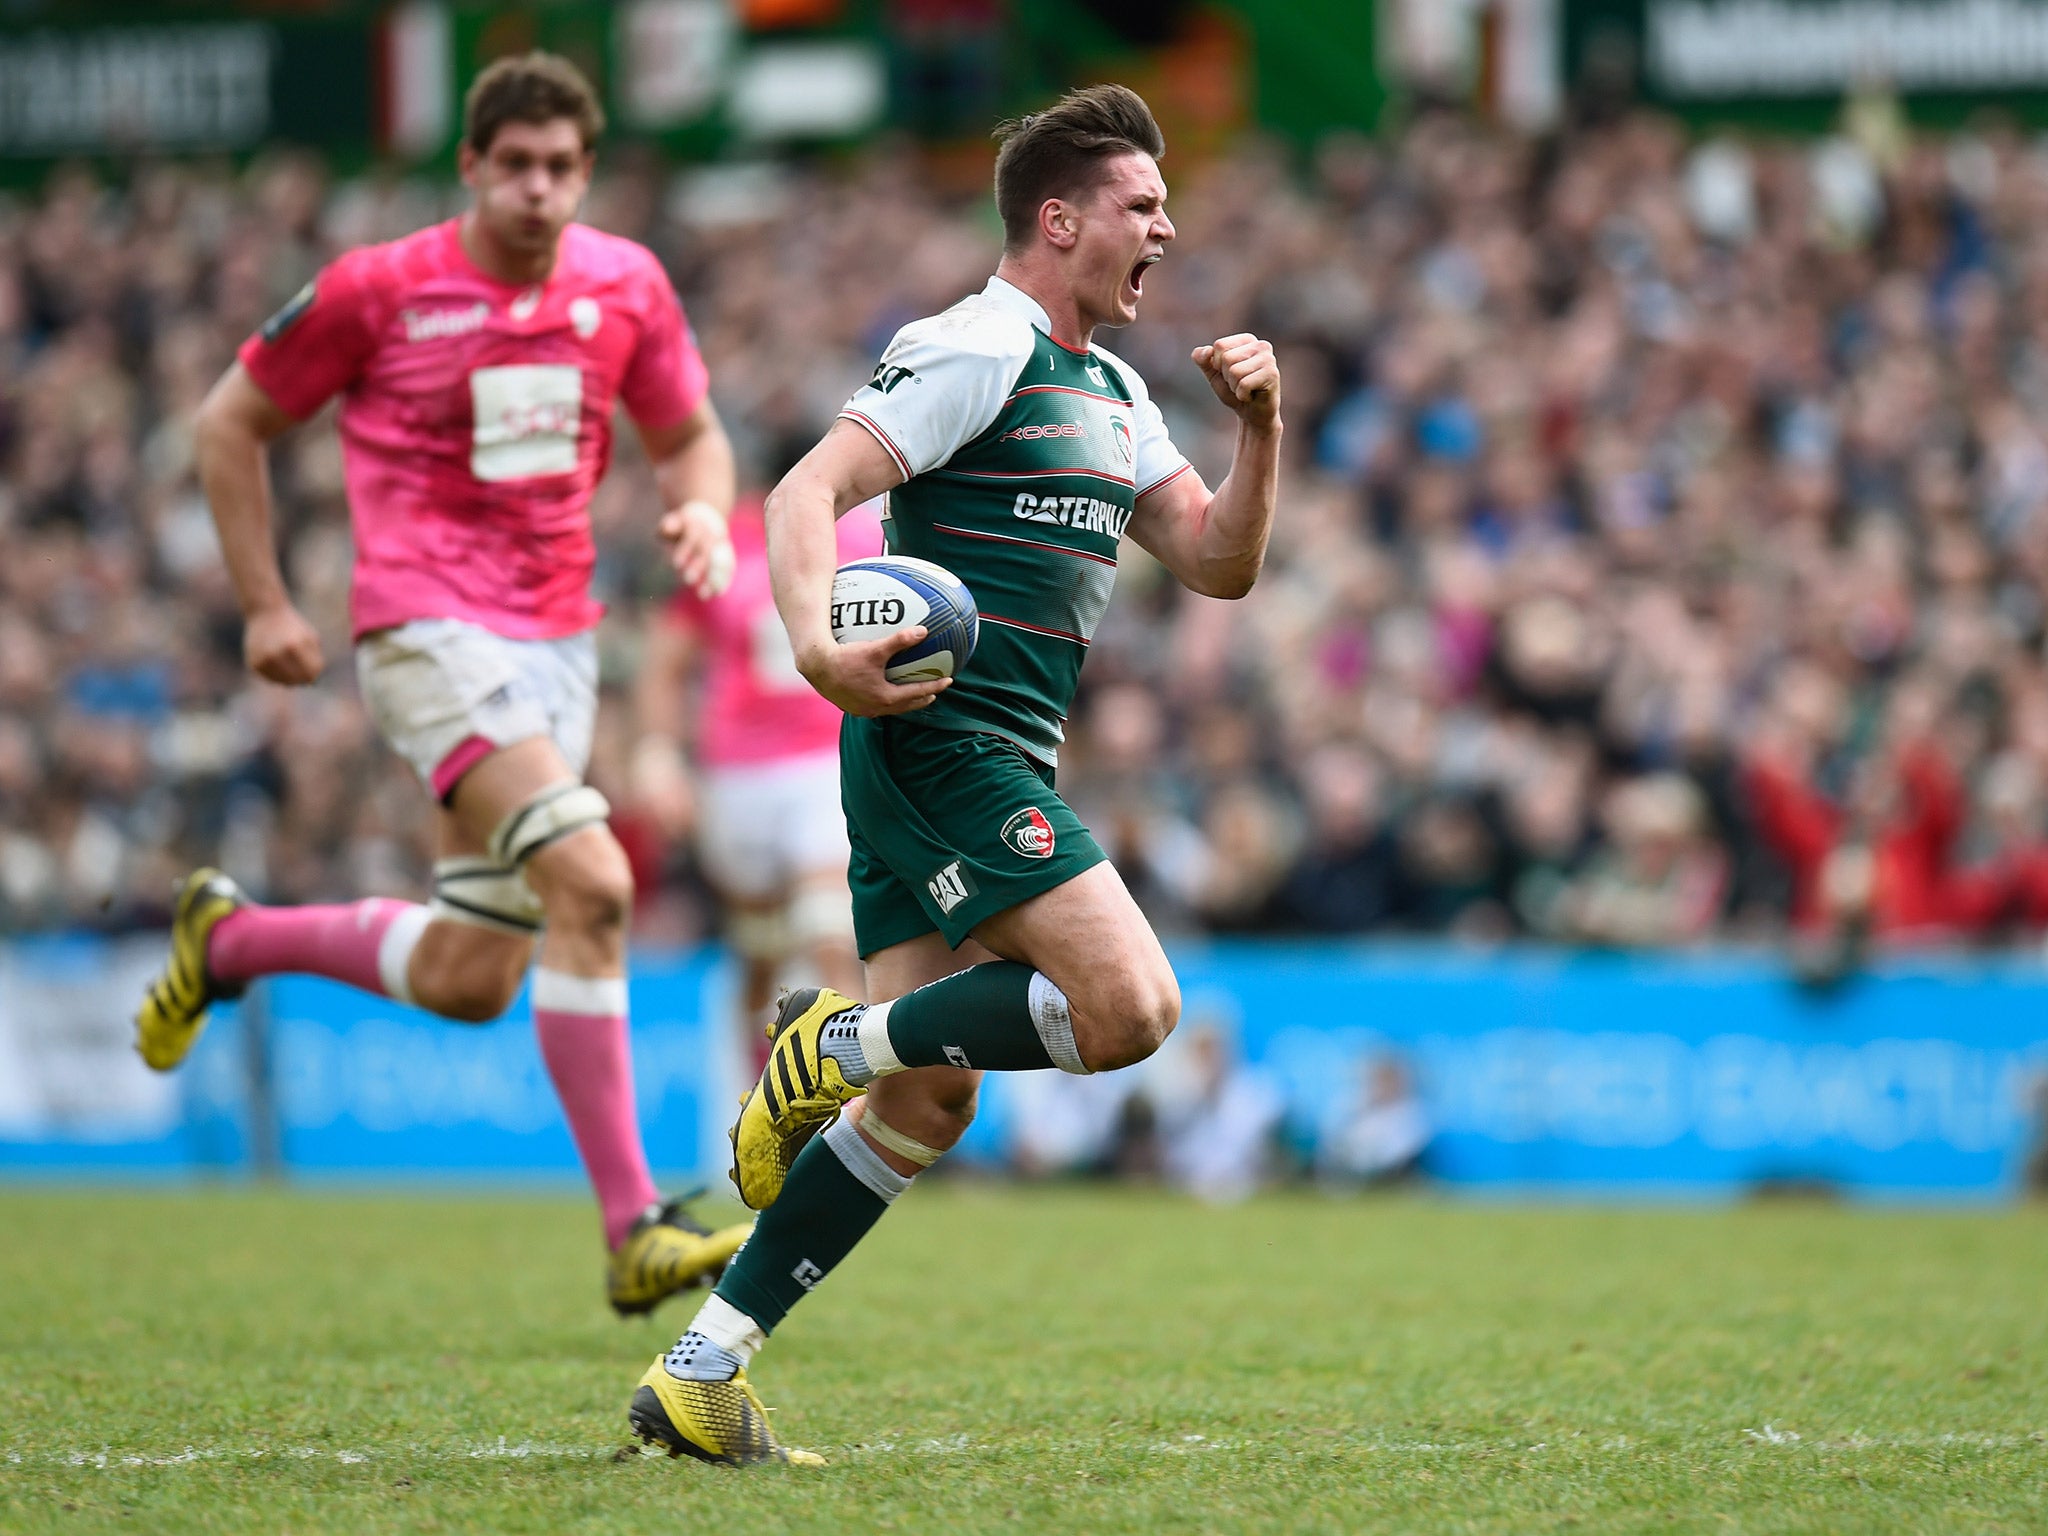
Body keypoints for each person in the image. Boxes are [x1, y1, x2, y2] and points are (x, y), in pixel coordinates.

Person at [628, 83, 1284, 1466]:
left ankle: (700, 1369)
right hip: (941, 738)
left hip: (986, 754)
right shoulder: (973, 343)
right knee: (1132, 1007)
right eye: (1142, 204)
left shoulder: (1112, 390)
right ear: (1060, 220)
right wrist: (815, 645)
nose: (1170, 223)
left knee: (927, 1099)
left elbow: (1220, 562)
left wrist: (1263, 429)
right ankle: (828, 1044)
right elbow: (804, 495)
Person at [132, 53, 751, 1317]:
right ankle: (633, 1221)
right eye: (513, 165)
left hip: (559, 643)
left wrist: (700, 513)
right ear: (470, 167)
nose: (536, 189)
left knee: (477, 975)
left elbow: (689, 434)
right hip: (425, 630)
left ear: (585, 175)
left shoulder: (623, 283)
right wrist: (262, 603)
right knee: (595, 879)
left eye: (560, 168)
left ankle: (232, 938)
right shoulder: (380, 289)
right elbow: (226, 423)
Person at [630, 492, 882, 1064]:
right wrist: (658, 755)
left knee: (828, 932)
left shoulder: (866, 538)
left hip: (826, 760)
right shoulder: (725, 543)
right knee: (761, 952)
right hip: (738, 776)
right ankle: (763, 1101)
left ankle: (837, 1118)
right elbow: (666, 662)